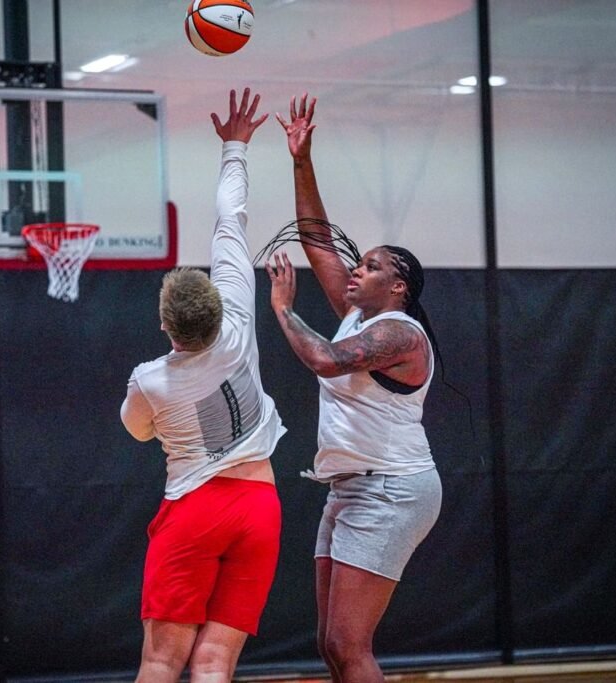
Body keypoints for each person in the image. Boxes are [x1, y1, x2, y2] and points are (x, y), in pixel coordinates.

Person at [264, 93, 443, 683]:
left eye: (369, 265)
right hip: (350, 484)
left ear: (397, 286)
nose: (355, 269)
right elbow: (316, 237)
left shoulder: (398, 333)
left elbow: (327, 361)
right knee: (330, 644)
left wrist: (286, 310)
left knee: (349, 642)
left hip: (392, 488)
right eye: (358, 265)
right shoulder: (358, 313)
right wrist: (300, 159)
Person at [120, 88, 286, 683]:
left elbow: (138, 432)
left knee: (163, 660)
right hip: (259, 507)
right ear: (217, 308)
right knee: (215, 663)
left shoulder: (152, 380)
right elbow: (230, 217)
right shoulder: (238, 321)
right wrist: (235, 146)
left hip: (195, 509)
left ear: (165, 325)